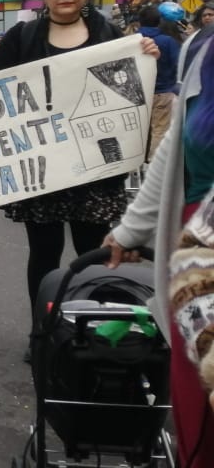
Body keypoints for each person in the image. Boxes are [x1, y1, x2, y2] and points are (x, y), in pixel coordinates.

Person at [0, 0, 160, 360]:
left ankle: (86, 328)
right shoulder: (23, 36)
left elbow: (130, 87)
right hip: (44, 167)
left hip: (96, 166)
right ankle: (42, 332)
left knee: (93, 254)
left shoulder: (108, 32)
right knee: (45, 255)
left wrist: (147, 53)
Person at [103, 26, 214, 467]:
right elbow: (176, 145)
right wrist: (133, 230)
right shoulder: (202, 49)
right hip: (198, 258)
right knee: (197, 416)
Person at [137, 5, 181, 161]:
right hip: (163, 92)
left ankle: (137, 162)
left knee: (139, 131)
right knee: (160, 130)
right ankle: (153, 164)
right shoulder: (168, 41)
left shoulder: (131, 41)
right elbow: (178, 64)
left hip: (137, 94)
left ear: (139, 21)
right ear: (159, 21)